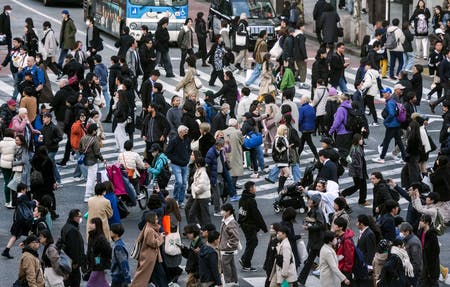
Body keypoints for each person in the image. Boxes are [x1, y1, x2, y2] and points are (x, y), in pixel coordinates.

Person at [297, 194, 326, 286]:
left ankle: (301, 279)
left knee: (311, 261)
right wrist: (306, 223)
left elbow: (321, 225)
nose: (308, 201)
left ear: (315, 202)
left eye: (310, 200)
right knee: (310, 261)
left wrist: (309, 227)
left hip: (318, 241)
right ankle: (301, 280)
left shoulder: (318, 211)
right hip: (314, 240)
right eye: (308, 199)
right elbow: (307, 220)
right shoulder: (312, 210)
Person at [238, 181, 267, 271]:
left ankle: (244, 259)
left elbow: (241, 211)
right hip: (249, 225)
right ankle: (246, 264)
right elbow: (256, 215)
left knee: (251, 242)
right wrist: (264, 227)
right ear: (250, 189)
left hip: (243, 224)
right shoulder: (251, 201)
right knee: (253, 242)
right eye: (254, 187)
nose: (255, 189)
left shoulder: (242, 198)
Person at [372, 88, 407, 164]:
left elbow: (391, 114)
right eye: (383, 92)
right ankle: (404, 158)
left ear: (389, 93)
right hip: (396, 124)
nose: (383, 94)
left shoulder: (390, 102)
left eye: (385, 92)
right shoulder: (392, 101)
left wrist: (386, 121)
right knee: (399, 142)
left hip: (392, 125)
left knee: (387, 142)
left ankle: (381, 158)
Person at [2, 183, 35, 259]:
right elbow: (29, 204)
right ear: (23, 189)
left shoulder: (15, 195)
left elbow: (13, 204)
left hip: (18, 218)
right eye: (25, 189)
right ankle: (29, 251)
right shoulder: (23, 196)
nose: (26, 190)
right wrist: (34, 202)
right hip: (24, 219)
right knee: (30, 233)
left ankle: (6, 250)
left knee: (15, 235)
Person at [165, 125, 191, 207]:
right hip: (176, 164)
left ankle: (181, 201)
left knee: (183, 183)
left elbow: (189, 149)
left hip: (184, 164)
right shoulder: (174, 141)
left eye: (187, 131)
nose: (186, 132)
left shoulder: (187, 140)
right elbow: (167, 152)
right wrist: (175, 160)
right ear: (180, 132)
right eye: (185, 131)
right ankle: (175, 199)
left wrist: (188, 157)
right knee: (179, 182)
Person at [341, 134, 369, 205]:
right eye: (360, 139)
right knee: (359, 185)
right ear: (357, 140)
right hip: (358, 171)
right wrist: (359, 172)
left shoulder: (356, 146)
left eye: (362, 139)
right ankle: (344, 193)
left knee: (361, 185)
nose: (362, 141)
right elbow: (355, 163)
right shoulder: (356, 150)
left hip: (359, 170)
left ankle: (362, 200)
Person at [59, 209, 85, 287]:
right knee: (75, 281)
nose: (80, 218)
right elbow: (74, 248)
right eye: (79, 216)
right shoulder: (72, 230)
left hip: (67, 261)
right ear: (74, 217)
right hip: (72, 263)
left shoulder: (67, 226)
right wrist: (75, 262)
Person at [79, 123, 105, 202]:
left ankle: (93, 193)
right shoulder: (94, 140)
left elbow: (79, 149)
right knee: (91, 178)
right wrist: (102, 159)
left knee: (92, 177)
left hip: (85, 160)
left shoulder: (83, 138)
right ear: (93, 131)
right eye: (96, 130)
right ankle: (87, 195)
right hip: (92, 160)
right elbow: (97, 152)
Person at [85, 217, 112, 287]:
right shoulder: (91, 236)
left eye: (92, 223)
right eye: (90, 223)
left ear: (97, 225)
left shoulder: (101, 238)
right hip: (94, 264)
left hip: (98, 264)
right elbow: (89, 251)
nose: (90, 225)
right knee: (102, 283)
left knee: (90, 284)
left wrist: (99, 260)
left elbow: (108, 250)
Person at [219, 203, 239, 285]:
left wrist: (227, 245)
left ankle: (229, 281)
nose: (221, 212)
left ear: (228, 212)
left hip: (227, 249)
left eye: (223, 210)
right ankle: (234, 281)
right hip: (227, 248)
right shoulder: (226, 220)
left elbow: (235, 238)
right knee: (231, 264)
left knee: (225, 265)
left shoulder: (231, 223)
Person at [40, 112, 63, 186]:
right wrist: (41, 139)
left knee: (48, 163)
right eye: (43, 117)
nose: (43, 119)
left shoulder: (54, 127)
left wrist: (53, 141)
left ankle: (54, 180)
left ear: (49, 118)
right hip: (47, 148)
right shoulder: (43, 127)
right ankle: (57, 180)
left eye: (45, 117)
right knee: (52, 165)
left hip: (53, 149)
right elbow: (42, 136)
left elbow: (60, 137)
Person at [189, 156, 211, 227]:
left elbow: (202, 187)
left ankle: (208, 230)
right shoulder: (199, 171)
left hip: (202, 197)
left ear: (198, 164)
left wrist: (195, 189)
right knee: (194, 213)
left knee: (204, 215)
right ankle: (200, 229)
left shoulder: (203, 173)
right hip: (199, 197)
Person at [399, 222, 423, 286]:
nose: (401, 233)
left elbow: (416, 262)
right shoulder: (408, 240)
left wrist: (410, 273)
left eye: (402, 231)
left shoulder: (414, 243)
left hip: (413, 274)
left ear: (407, 232)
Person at [298, 95, 319, 160]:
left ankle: (317, 156)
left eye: (301, 100)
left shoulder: (302, 109)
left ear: (304, 101)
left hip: (305, 128)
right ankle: (297, 155)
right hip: (311, 127)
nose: (300, 101)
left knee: (309, 143)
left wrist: (298, 126)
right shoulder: (311, 107)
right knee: (302, 142)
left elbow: (300, 119)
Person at [0, 128, 17, 207]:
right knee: (13, 182)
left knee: (6, 181)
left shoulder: (1, 143)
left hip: (3, 164)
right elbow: (17, 152)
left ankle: (7, 201)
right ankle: (12, 201)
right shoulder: (14, 143)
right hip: (12, 164)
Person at [272, 124, 291, 192]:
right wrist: (286, 147)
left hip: (284, 158)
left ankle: (280, 188)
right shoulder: (278, 138)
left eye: (286, 129)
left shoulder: (284, 137)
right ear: (281, 130)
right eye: (284, 130)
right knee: (287, 173)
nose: (286, 131)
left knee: (282, 173)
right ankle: (280, 188)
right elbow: (278, 149)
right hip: (281, 159)